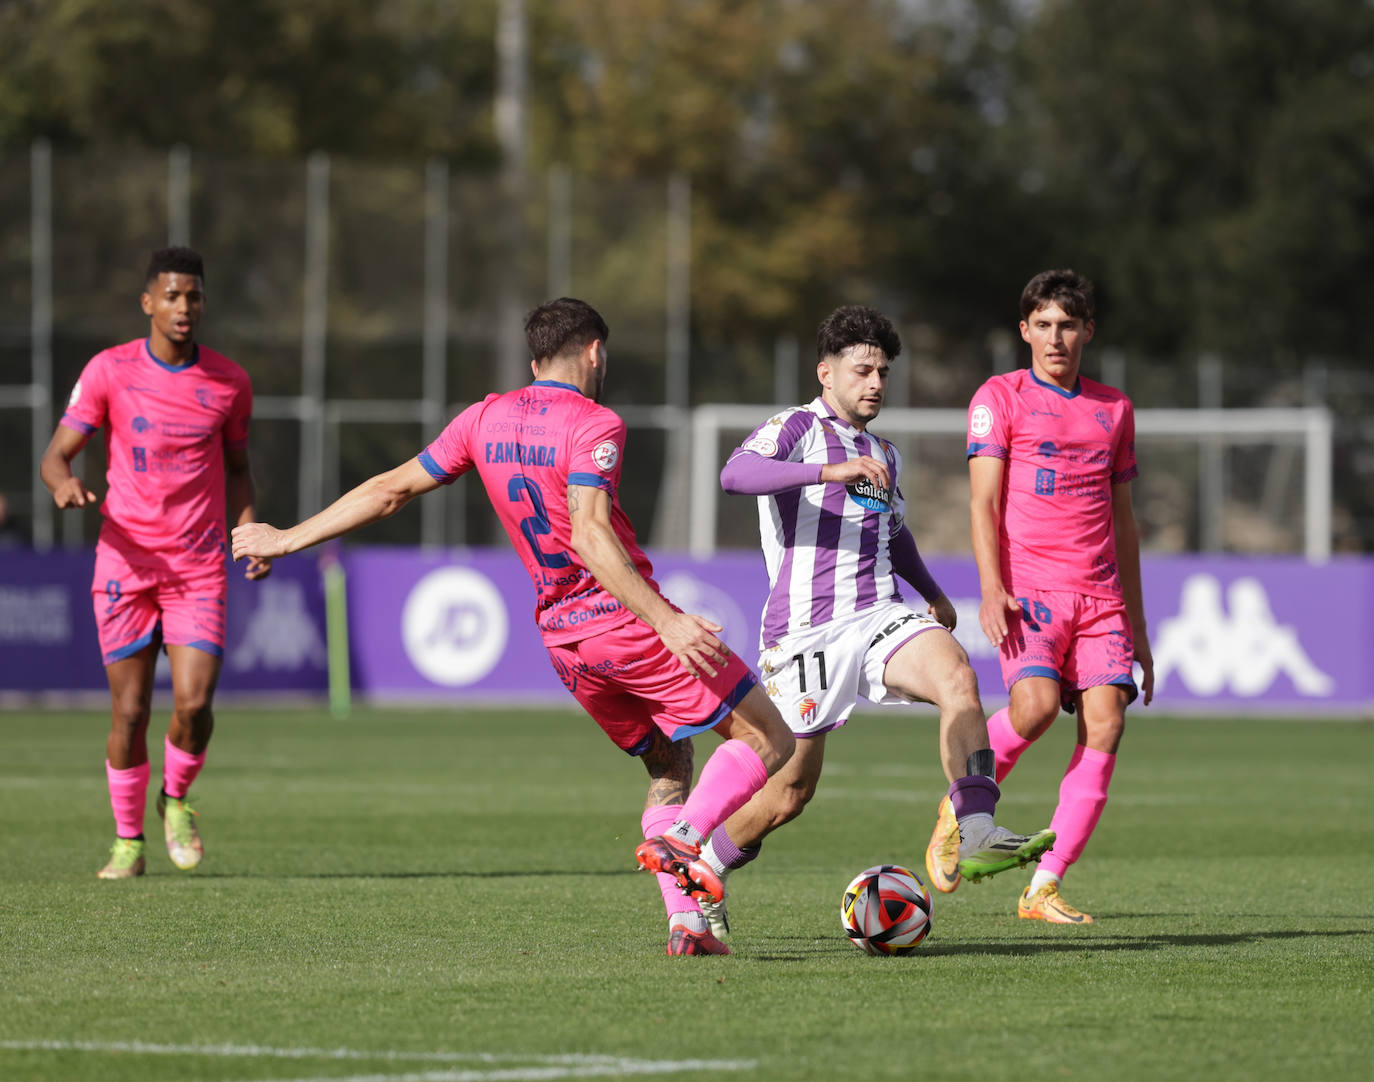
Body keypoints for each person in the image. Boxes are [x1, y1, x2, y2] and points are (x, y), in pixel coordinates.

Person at [231, 297, 795, 957]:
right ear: (594, 352)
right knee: (768, 738)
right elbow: (588, 532)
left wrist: (286, 538)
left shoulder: (483, 417)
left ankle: (687, 925)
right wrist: (666, 620)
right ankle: (687, 839)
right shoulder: (595, 423)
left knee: (669, 760)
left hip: (565, 642)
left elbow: (389, 490)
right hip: (623, 624)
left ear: (534, 360)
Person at [695, 304, 1055, 938]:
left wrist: (934, 594)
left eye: (883, 372)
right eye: (863, 370)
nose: (876, 384)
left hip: (878, 615)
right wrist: (828, 470)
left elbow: (895, 531)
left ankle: (973, 827)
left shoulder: (884, 453)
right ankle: (705, 864)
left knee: (956, 674)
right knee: (788, 793)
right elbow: (734, 474)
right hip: (803, 634)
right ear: (825, 373)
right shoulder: (798, 428)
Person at [929, 268, 1154, 924]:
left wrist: (1138, 627)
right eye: (1044, 325)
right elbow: (984, 502)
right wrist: (991, 588)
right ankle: (959, 807)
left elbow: (1126, 523)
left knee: (1108, 722)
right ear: (1025, 330)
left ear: (1088, 331)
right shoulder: (999, 398)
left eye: (1069, 325)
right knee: (1032, 708)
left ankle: (1044, 886)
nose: (1056, 337)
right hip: (1030, 590)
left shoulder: (1114, 409)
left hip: (1100, 596)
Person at [39, 246, 271, 880]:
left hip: (196, 567)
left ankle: (175, 800)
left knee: (194, 705)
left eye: (193, 296)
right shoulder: (109, 372)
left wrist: (247, 531)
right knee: (131, 712)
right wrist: (62, 484)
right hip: (125, 563)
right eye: (171, 295)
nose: (184, 307)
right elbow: (56, 456)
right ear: (148, 302)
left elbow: (239, 469)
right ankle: (127, 842)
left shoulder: (229, 383)